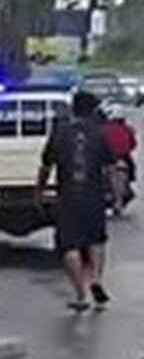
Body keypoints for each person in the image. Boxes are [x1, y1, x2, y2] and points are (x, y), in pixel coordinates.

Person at [36, 91, 116, 312]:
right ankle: (96, 280)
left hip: (67, 197)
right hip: (94, 197)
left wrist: (40, 192)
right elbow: (110, 169)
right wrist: (114, 196)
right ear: (92, 111)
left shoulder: (60, 133)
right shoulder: (100, 135)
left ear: (73, 108)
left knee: (68, 245)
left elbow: (45, 167)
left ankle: (81, 294)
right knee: (96, 241)